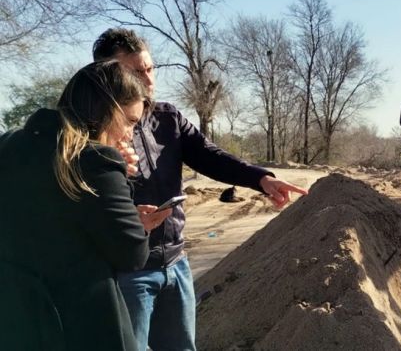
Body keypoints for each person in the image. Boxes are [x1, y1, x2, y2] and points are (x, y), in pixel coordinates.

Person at [92, 28, 308, 350]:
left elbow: (211, 156)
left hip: (176, 264)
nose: (148, 81)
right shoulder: (87, 132)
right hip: (126, 274)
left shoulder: (167, 117)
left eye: (150, 69)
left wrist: (262, 179)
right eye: (136, 73)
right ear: (106, 76)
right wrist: (121, 217)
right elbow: (73, 205)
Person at [0, 61, 151, 350]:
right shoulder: (96, 162)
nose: (131, 134)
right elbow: (132, 254)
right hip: (83, 327)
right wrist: (123, 182)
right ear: (107, 110)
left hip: (15, 325)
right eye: (130, 122)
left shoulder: (8, 145)